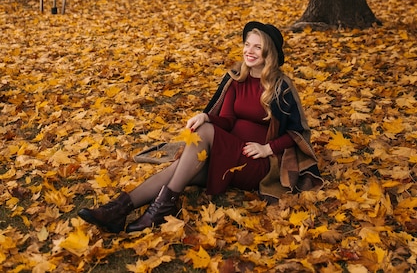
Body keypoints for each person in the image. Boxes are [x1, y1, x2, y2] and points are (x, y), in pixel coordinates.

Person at [78, 21, 323, 234]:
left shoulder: (280, 86)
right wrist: (206, 117)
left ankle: (159, 210)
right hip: (227, 157)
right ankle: (117, 211)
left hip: (254, 163)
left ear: (269, 52)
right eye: (247, 44)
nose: (249, 51)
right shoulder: (236, 78)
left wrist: (268, 148)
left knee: (201, 137)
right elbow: (226, 120)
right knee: (178, 168)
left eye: (257, 47)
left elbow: (298, 133)